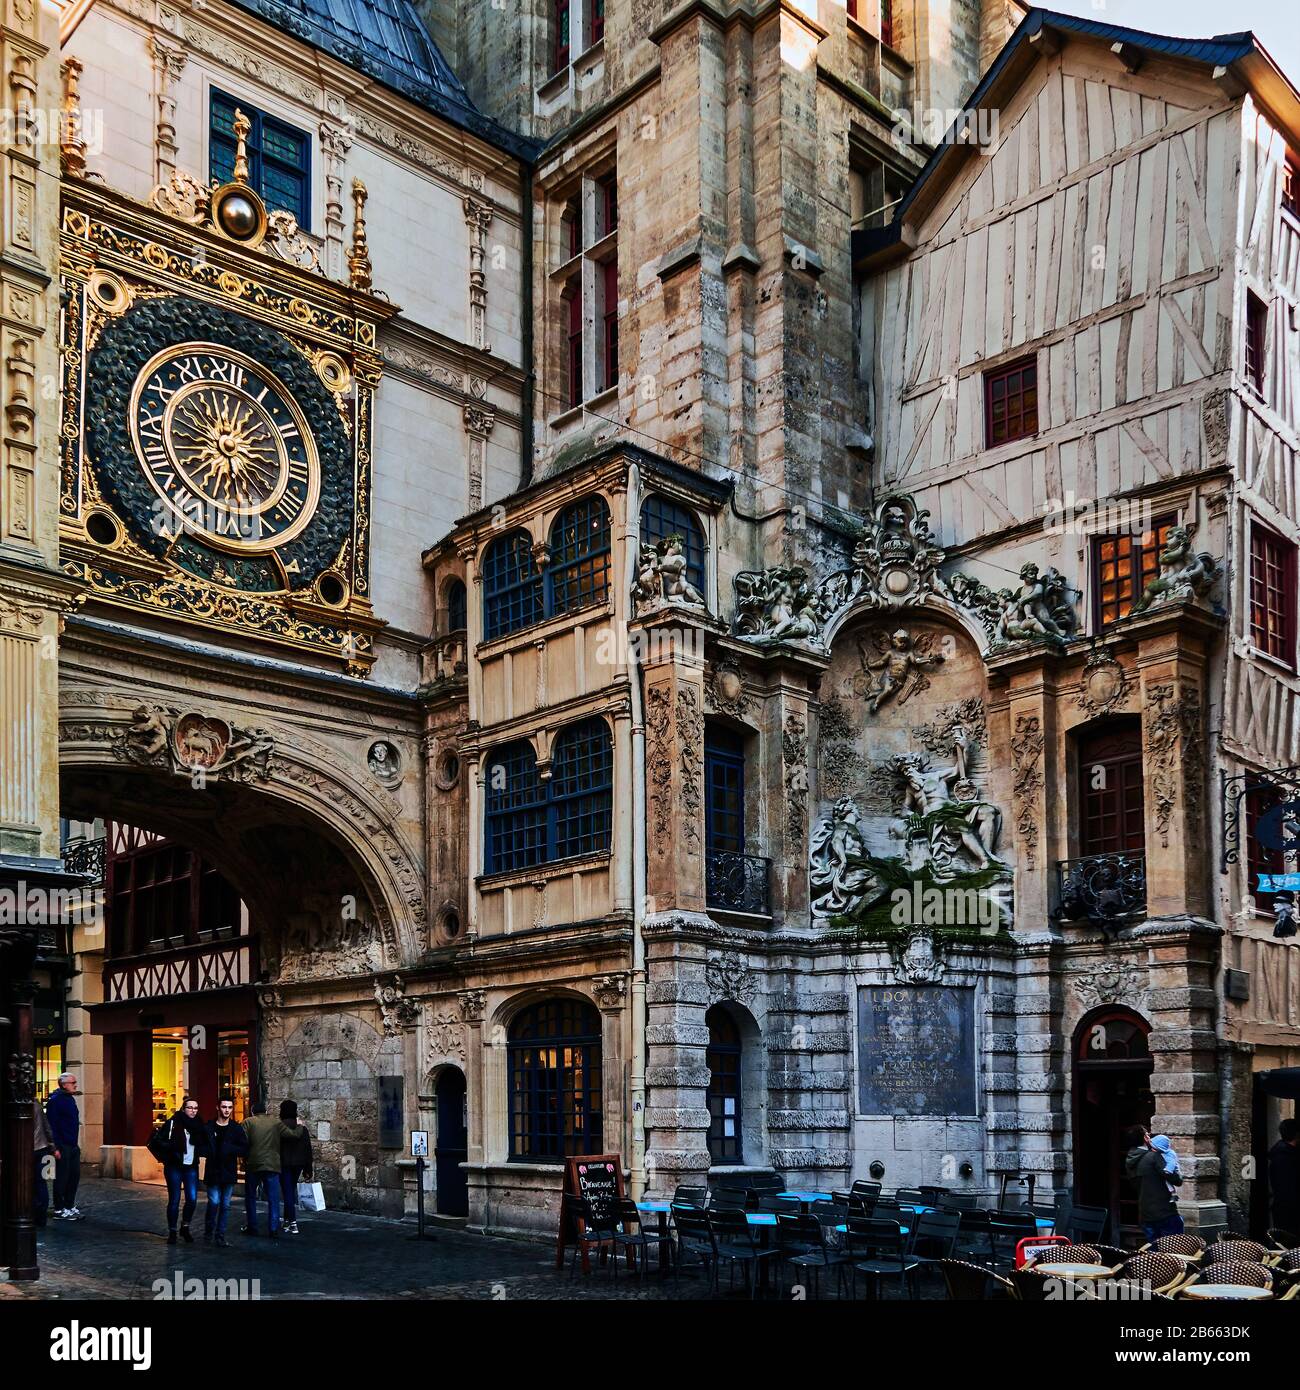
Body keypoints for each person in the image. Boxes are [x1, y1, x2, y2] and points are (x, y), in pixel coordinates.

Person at [159, 1097, 210, 1244]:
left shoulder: (199, 1125)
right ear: (183, 1108)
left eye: (195, 1108)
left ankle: (185, 1226)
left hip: (191, 1167)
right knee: (174, 1200)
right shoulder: (173, 1123)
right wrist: (171, 1150)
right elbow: (161, 1141)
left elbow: (204, 1144)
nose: (193, 1111)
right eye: (190, 1108)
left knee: (192, 1199)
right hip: (174, 1167)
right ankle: (173, 1231)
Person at [203, 1097, 250, 1247]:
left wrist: (230, 1149)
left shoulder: (236, 1128)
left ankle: (220, 1235)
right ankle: (208, 1232)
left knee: (225, 1205)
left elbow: (244, 1149)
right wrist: (209, 1152)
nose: (227, 1110)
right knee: (214, 1202)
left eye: (230, 1107)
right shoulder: (209, 1127)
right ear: (218, 1108)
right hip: (213, 1171)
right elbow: (200, 1146)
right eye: (224, 1107)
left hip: (228, 1172)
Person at [1124, 1125, 1184, 1241]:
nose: (1149, 1136)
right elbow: (1176, 1179)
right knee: (1174, 1251)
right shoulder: (1154, 1156)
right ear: (1145, 1138)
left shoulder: (1129, 1160)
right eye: (1147, 1134)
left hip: (1145, 1213)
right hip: (1165, 1212)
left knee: (1154, 1254)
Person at [242, 1101, 289, 1237]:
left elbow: (243, 1141)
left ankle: (252, 1226)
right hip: (272, 1164)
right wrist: (300, 1127)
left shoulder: (248, 1122)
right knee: (273, 1198)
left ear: (252, 1111)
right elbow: (291, 1134)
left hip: (254, 1163)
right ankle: (273, 1228)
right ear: (266, 1111)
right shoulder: (275, 1122)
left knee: (250, 1196)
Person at [46, 1072, 82, 1220]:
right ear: (64, 1084)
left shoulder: (69, 1099)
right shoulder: (56, 1101)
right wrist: (55, 1148)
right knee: (62, 1177)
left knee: (74, 1176)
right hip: (63, 1146)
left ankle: (69, 1205)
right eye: (73, 1082)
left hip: (72, 1145)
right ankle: (59, 1208)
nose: (75, 1084)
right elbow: (52, 1125)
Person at [278, 1100, 313, 1236]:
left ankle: (292, 1222)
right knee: (290, 1191)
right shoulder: (302, 1128)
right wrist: (308, 1168)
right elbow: (307, 1149)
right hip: (298, 1164)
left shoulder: (279, 1127)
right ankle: (287, 1220)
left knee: (287, 1192)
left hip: (284, 1164)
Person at [1269, 1117, 1300, 1236]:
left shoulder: (1279, 1153)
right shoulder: (1287, 1157)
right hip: (1290, 1208)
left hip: (1282, 1206)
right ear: (1297, 1134)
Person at [33, 1098, 56, 1228]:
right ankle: (42, 1217)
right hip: (45, 1149)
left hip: (32, 1150)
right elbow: (47, 1127)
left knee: (34, 1184)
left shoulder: (27, 1105)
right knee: (44, 1183)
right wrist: (53, 1147)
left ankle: (36, 1215)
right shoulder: (38, 1105)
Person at [1149, 1134, 1182, 1198]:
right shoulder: (1161, 1153)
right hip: (1168, 1170)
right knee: (1167, 1183)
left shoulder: (1170, 1154)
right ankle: (1173, 1194)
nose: (1152, 1149)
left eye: (1154, 1148)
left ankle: (1173, 1194)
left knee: (1168, 1182)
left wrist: (1168, 1170)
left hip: (1171, 1170)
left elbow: (1171, 1162)